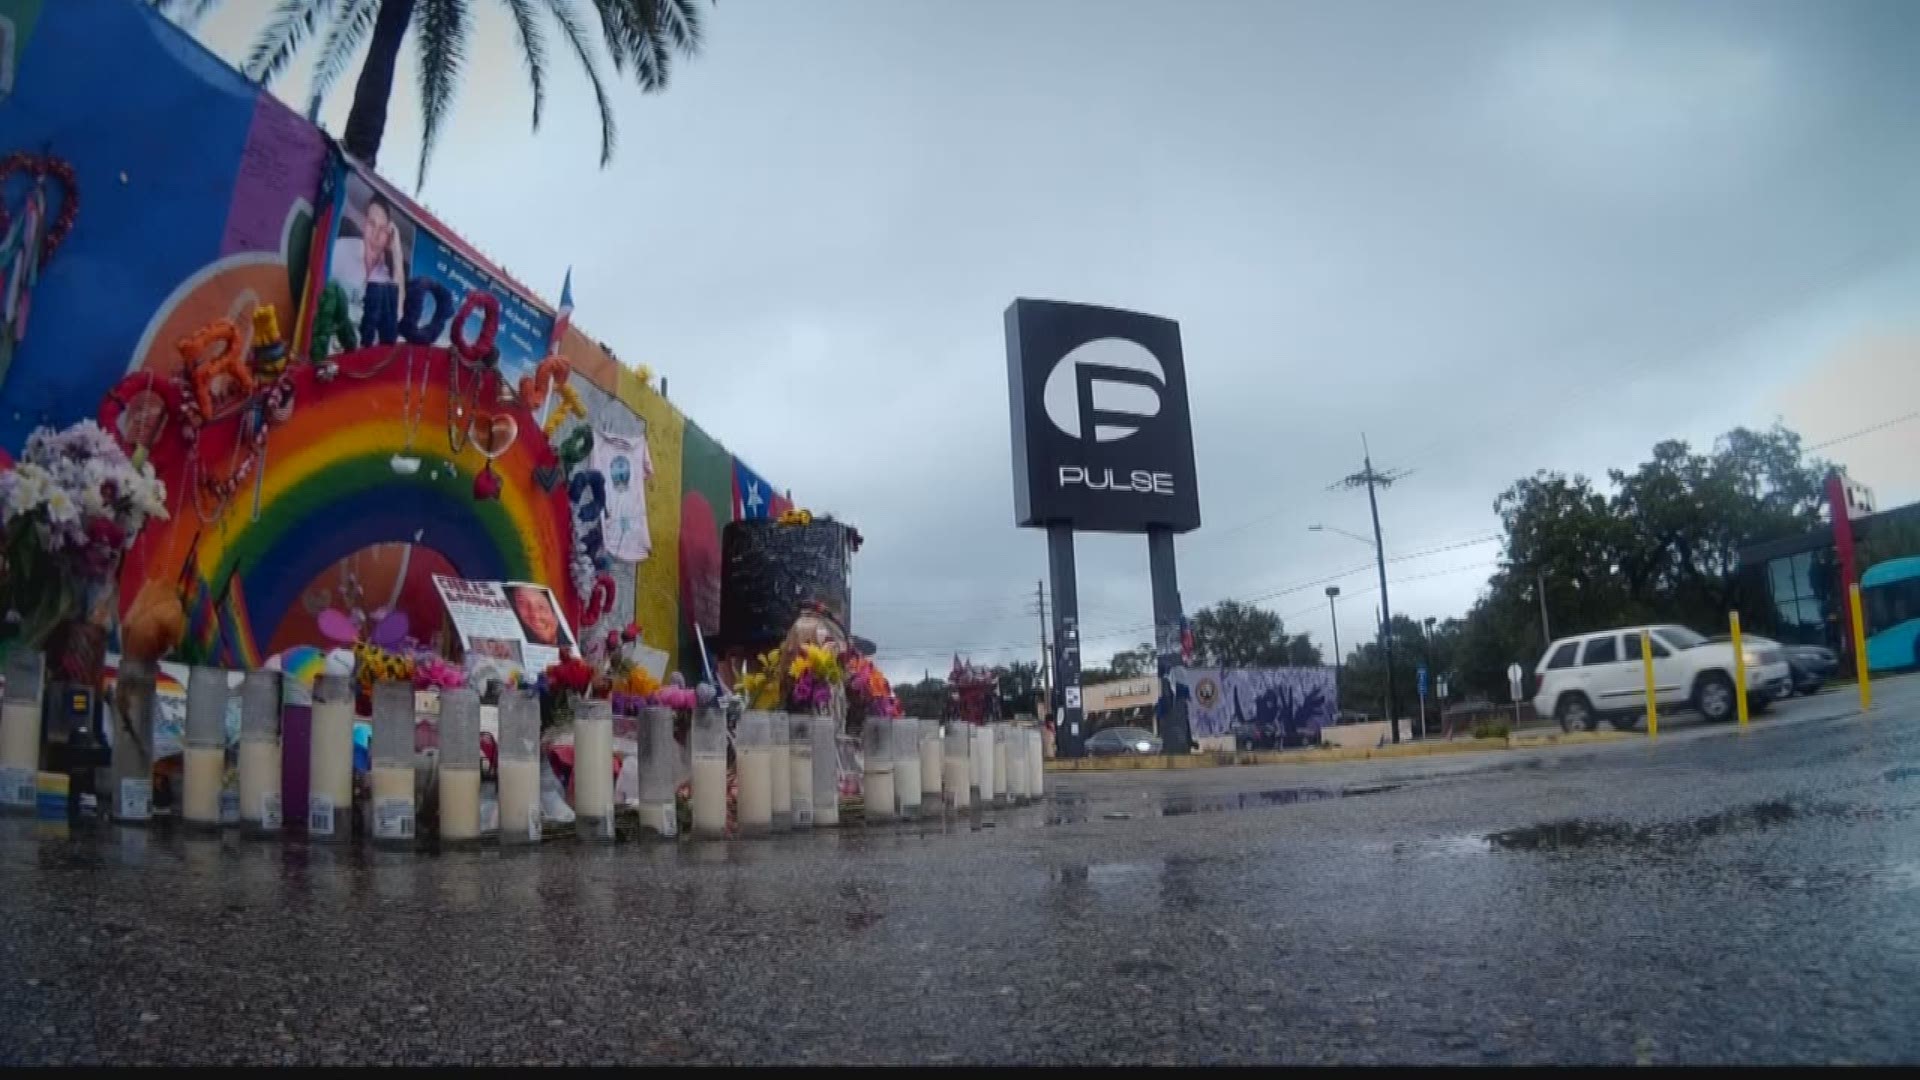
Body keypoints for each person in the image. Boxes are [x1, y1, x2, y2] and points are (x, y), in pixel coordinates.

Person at [358, 194, 406, 346]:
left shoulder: (385, 279)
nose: (376, 235)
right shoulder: (341, 249)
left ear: (388, 239)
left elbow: (397, 314)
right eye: (372, 224)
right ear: (363, 223)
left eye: (383, 229)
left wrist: (397, 254)